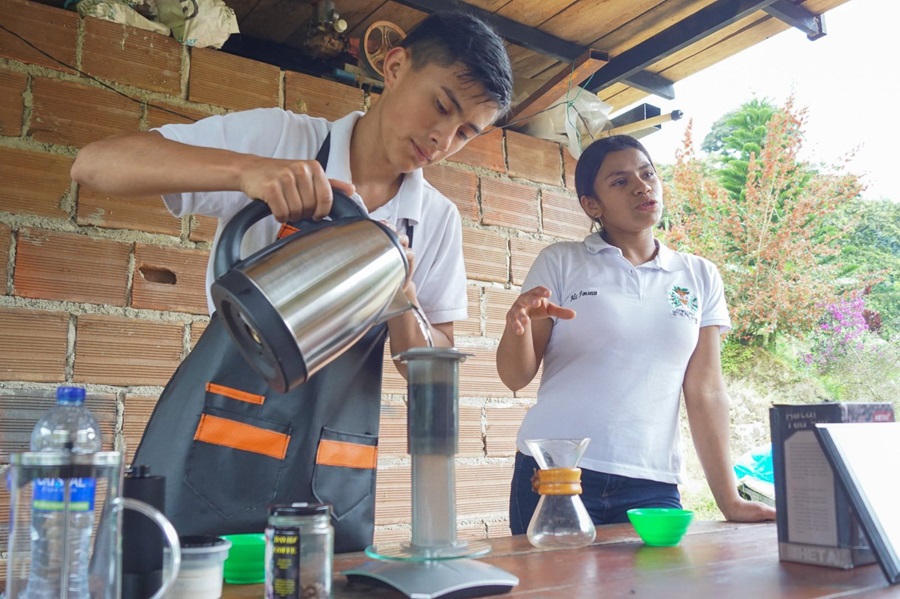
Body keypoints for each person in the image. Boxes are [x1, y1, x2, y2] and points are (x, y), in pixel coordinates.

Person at [71, 11, 513, 552]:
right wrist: (246, 172)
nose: (443, 137)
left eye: (467, 131)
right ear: (395, 66)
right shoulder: (284, 140)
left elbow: (430, 362)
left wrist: (403, 299)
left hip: (329, 466)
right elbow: (95, 165)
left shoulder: (436, 219)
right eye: (442, 106)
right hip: (219, 444)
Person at [496, 135, 776, 534]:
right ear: (592, 205)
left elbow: (706, 391)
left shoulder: (698, 275)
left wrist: (729, 498)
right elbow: (514, 376)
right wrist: (517, 326)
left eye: (647, 174)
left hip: (652, 481)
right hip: (558, 474)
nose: (642, 186)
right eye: (620, 181)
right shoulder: (561, 262)